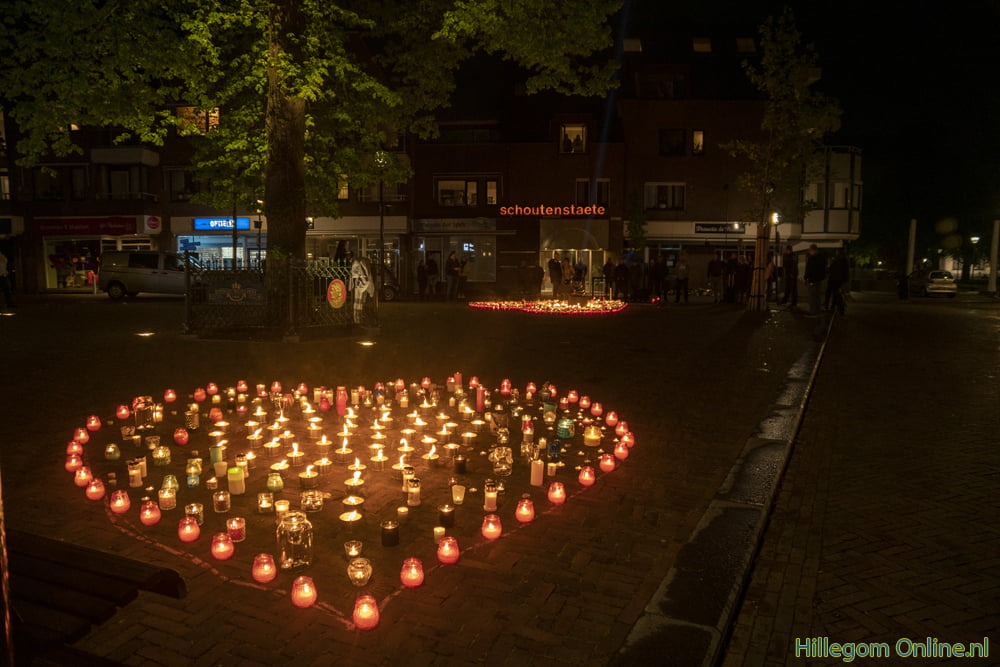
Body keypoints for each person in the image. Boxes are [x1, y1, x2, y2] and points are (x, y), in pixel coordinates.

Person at [804, 244, 826, 316]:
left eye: (810, 250)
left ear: (813, 250)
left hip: (812, 279)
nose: (809, 251)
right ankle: (817, 310)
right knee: (817, 295)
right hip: (818, 279)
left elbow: (809, 269)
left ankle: (813, 311)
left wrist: (806, 278)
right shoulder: (822, 257)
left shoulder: (812, 258)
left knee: (812, 296)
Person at [826, 248, 849, 314]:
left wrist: (828, 270)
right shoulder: (842, 260)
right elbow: (846, 272)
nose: (836, 252)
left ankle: (833, 307)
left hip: (835, 279)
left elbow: (831, 269)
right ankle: (834, 307)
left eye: (837, 251)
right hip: (837, 280)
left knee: (834, 294)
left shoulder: (837, 260)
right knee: (836, 294)